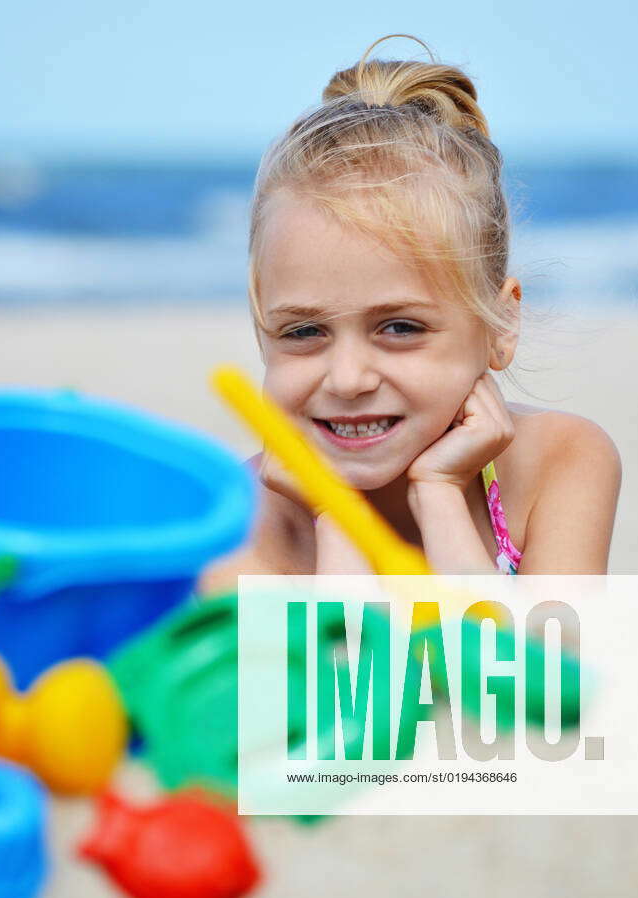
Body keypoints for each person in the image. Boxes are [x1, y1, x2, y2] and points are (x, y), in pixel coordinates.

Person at [199, 32, 621, 591]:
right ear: (262, 331)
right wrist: (337, 516)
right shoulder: (230, 527)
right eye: (302, 330)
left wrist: (441, 496)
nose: (348, 379)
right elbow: (337, 678)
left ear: (501, 326)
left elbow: (525, 675)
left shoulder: (563, 462)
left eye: (400, 327)